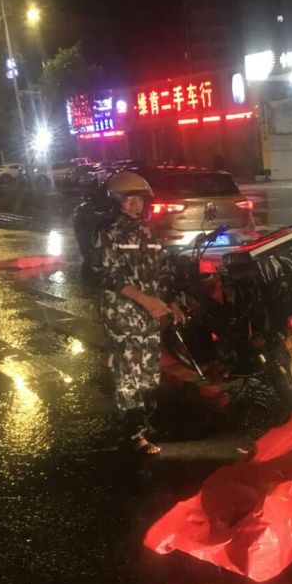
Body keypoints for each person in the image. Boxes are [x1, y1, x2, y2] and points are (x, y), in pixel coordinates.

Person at [93, 171, 185, 455]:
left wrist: (174, 302)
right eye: (128, 200)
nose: (135, 205)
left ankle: (142, 424)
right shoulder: (108, 234)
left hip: (148, 318)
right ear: (117, 203)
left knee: (148, 376)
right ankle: (131, 434)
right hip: (122, 317)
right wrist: (146, 301)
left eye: (139, 200)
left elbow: (167, 272)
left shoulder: (152, 232)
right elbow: (109, 275)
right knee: (127, 376)